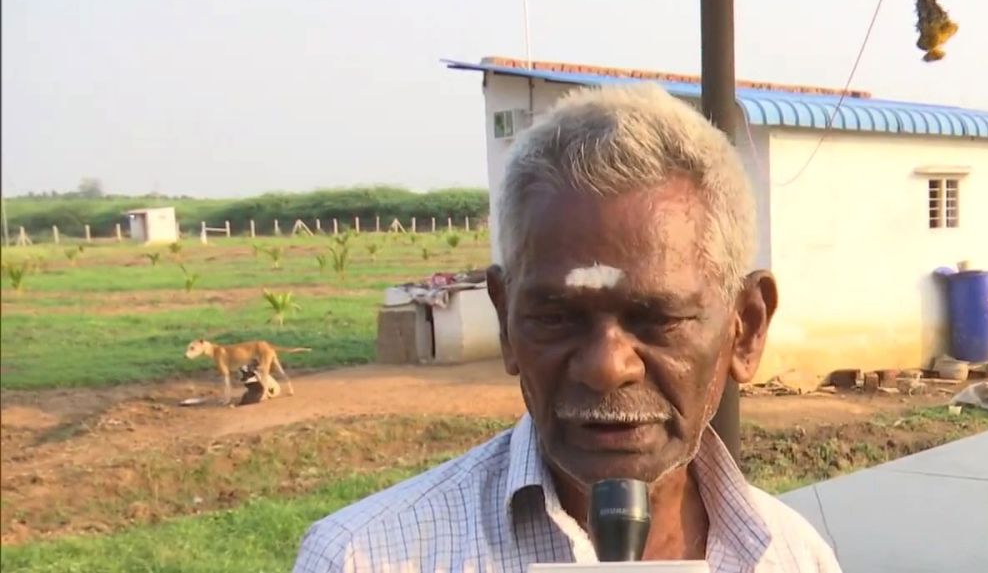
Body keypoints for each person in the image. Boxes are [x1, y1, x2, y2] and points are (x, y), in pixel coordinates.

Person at [292, 83, 841, 572]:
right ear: (507, 322)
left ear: (744, 329)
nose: (606, 366)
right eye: (555, 318)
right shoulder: (363, 558)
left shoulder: (793, 557)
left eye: (661, 319)